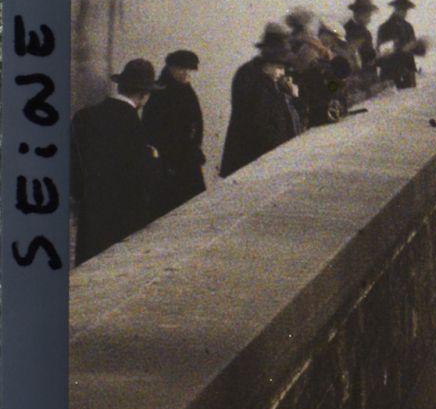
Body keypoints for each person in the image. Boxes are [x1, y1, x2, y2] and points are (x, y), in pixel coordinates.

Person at [73, 59, 164, 264]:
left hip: (91, 214)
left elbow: (72, 166)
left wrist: (83, 196)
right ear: (144, 95)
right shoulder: (134, 125)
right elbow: (143, 177)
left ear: (120, 86)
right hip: (123, 218)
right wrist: (154, 159)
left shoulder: (84, 116)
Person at [219, 23, 306, 178]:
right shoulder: (252, 79)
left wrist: (291, 95)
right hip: (250, 162)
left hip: (261, 160)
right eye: (279, 67)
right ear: (268, 63)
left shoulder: (262, 78)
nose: (282, 73)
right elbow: (262, 124)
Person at [144, 50, 207, 216]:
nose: (186, 73)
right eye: (181, 69)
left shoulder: (185, 89)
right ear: (170, 68)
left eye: (189, 69)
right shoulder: (160, 92)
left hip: (187, 159)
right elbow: (155, 131)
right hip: (170, 163)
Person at [377, 0, 420, 89]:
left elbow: (414, 48)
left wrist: (419, 47)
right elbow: (382, 52)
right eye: (400, 8)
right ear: (395, 8)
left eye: (405, 9)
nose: (404, 11)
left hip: (408, 75)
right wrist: (402, 49)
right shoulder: (385, 28)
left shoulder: (408, 27)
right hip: (391, 75)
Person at [343, 0, 380, 81]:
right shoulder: (347, 30)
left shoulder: (366, 33)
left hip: (367, 75)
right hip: (354, 76)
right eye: (367, 15)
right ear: (358, 14)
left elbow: (369, 56)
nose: (369, 19)